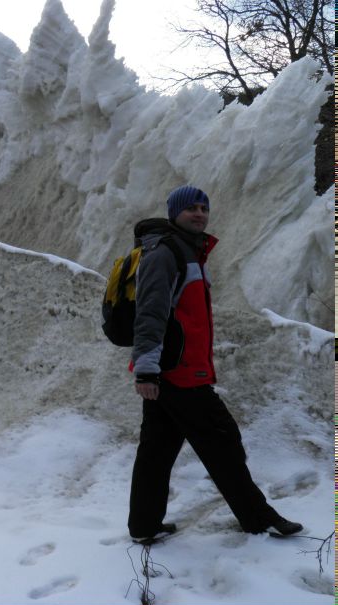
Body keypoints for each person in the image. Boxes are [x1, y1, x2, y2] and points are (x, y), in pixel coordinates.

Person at [127, 185, 302, 543]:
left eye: (203, 208)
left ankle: (144, 526)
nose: (199, 214)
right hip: (179, 373)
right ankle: (259, 518)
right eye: (190, 208)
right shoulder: (165, 253)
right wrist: (146, 369)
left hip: (172, 371)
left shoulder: (187, 252)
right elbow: (150, 313)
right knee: (223, 442)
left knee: (156, 450)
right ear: (174, 212)